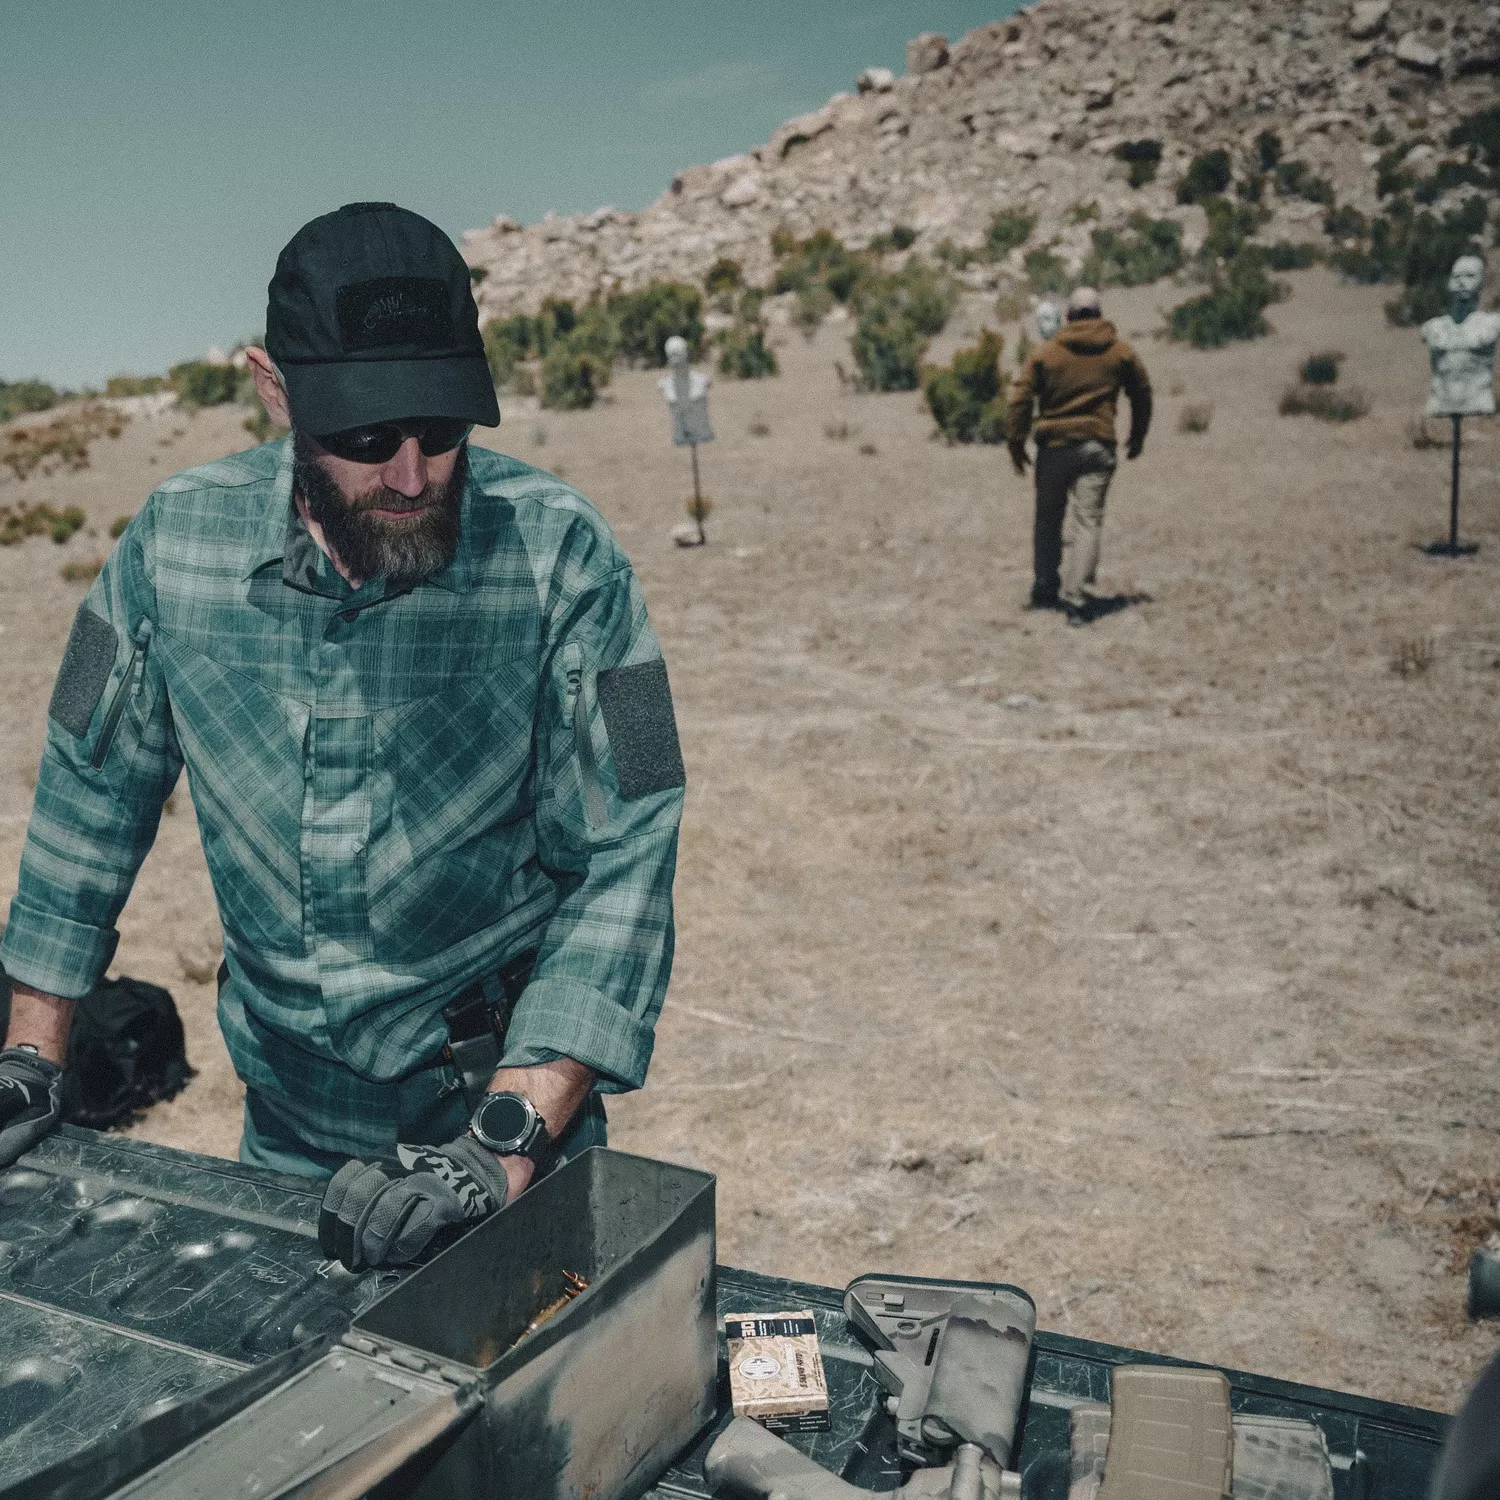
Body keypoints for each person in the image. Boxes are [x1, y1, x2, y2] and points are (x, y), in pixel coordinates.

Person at [0, 203, 686, 1270]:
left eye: (442, 430)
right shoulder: (170, 547)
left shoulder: (567, 558)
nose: (411, 475)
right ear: (275, 390)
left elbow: (628, 850)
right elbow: (87, 795)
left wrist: (504, 1141)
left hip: (496, 1117)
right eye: (366, 437)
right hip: (284, 1120)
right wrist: (32, 1058)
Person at [1007, 286, 1152, 626]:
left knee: (1048, 518)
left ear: (1067, 316)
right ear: (1100, 315)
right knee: (1088, 522)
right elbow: (1142, 392)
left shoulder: (1046, 354)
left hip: (1054, 447)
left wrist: (1016, 442)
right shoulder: (1120, 352)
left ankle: (1045, 586)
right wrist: (1137, 435)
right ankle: (1077, 599)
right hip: (1097, 447)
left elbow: (1020, 397)